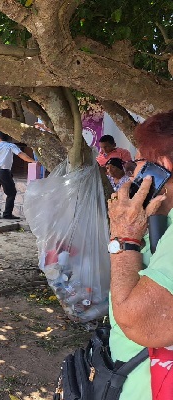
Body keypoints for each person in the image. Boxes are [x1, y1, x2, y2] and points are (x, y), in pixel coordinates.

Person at [107, 110, 173, 400]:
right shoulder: (162, 217)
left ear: (164, 166)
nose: (132, 173)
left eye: (138, 164)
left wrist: (124, 237)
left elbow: (140, 322)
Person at [0, 131, 35, 220]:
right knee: (11, 193)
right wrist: (33, 161)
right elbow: (21, 155)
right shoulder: (10, 146)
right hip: (4, 173)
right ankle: (7, 214)